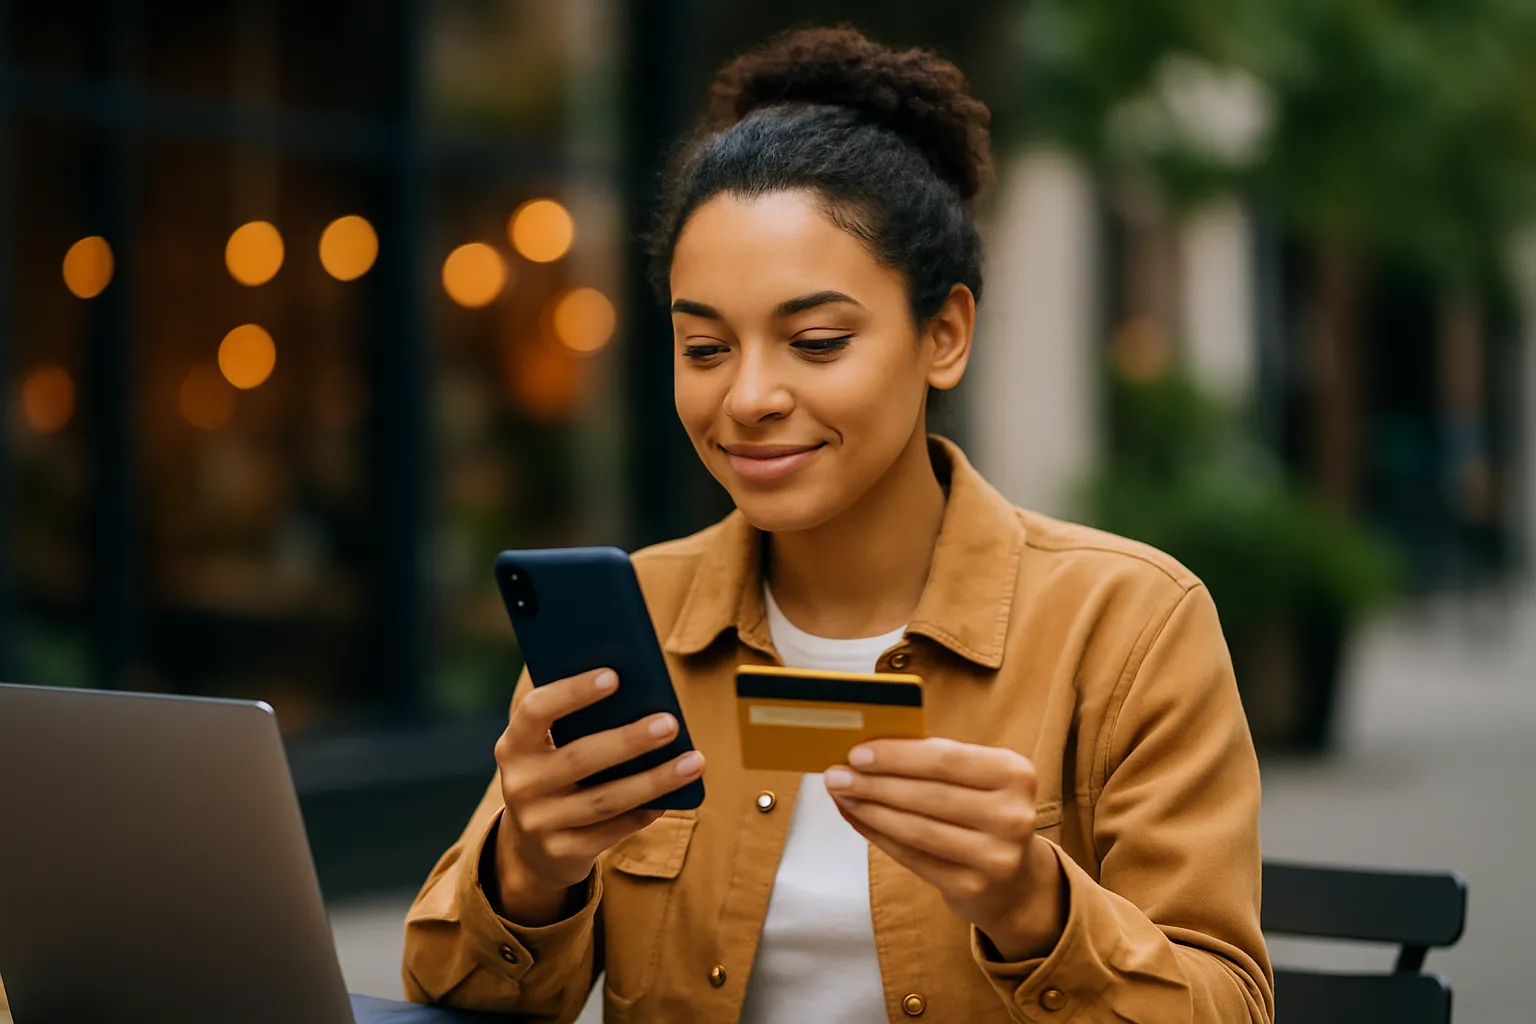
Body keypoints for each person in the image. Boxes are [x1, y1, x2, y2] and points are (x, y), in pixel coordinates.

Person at [402, 27, 1273, 1024]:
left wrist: (1033, 906)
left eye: (815, 341)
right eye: (704, 346)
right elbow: (450, 999)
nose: (750, 397)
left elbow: (1228, 1005)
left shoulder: (1128, 626)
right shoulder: (632, 623)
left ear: (943, 334)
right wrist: (529, 866)